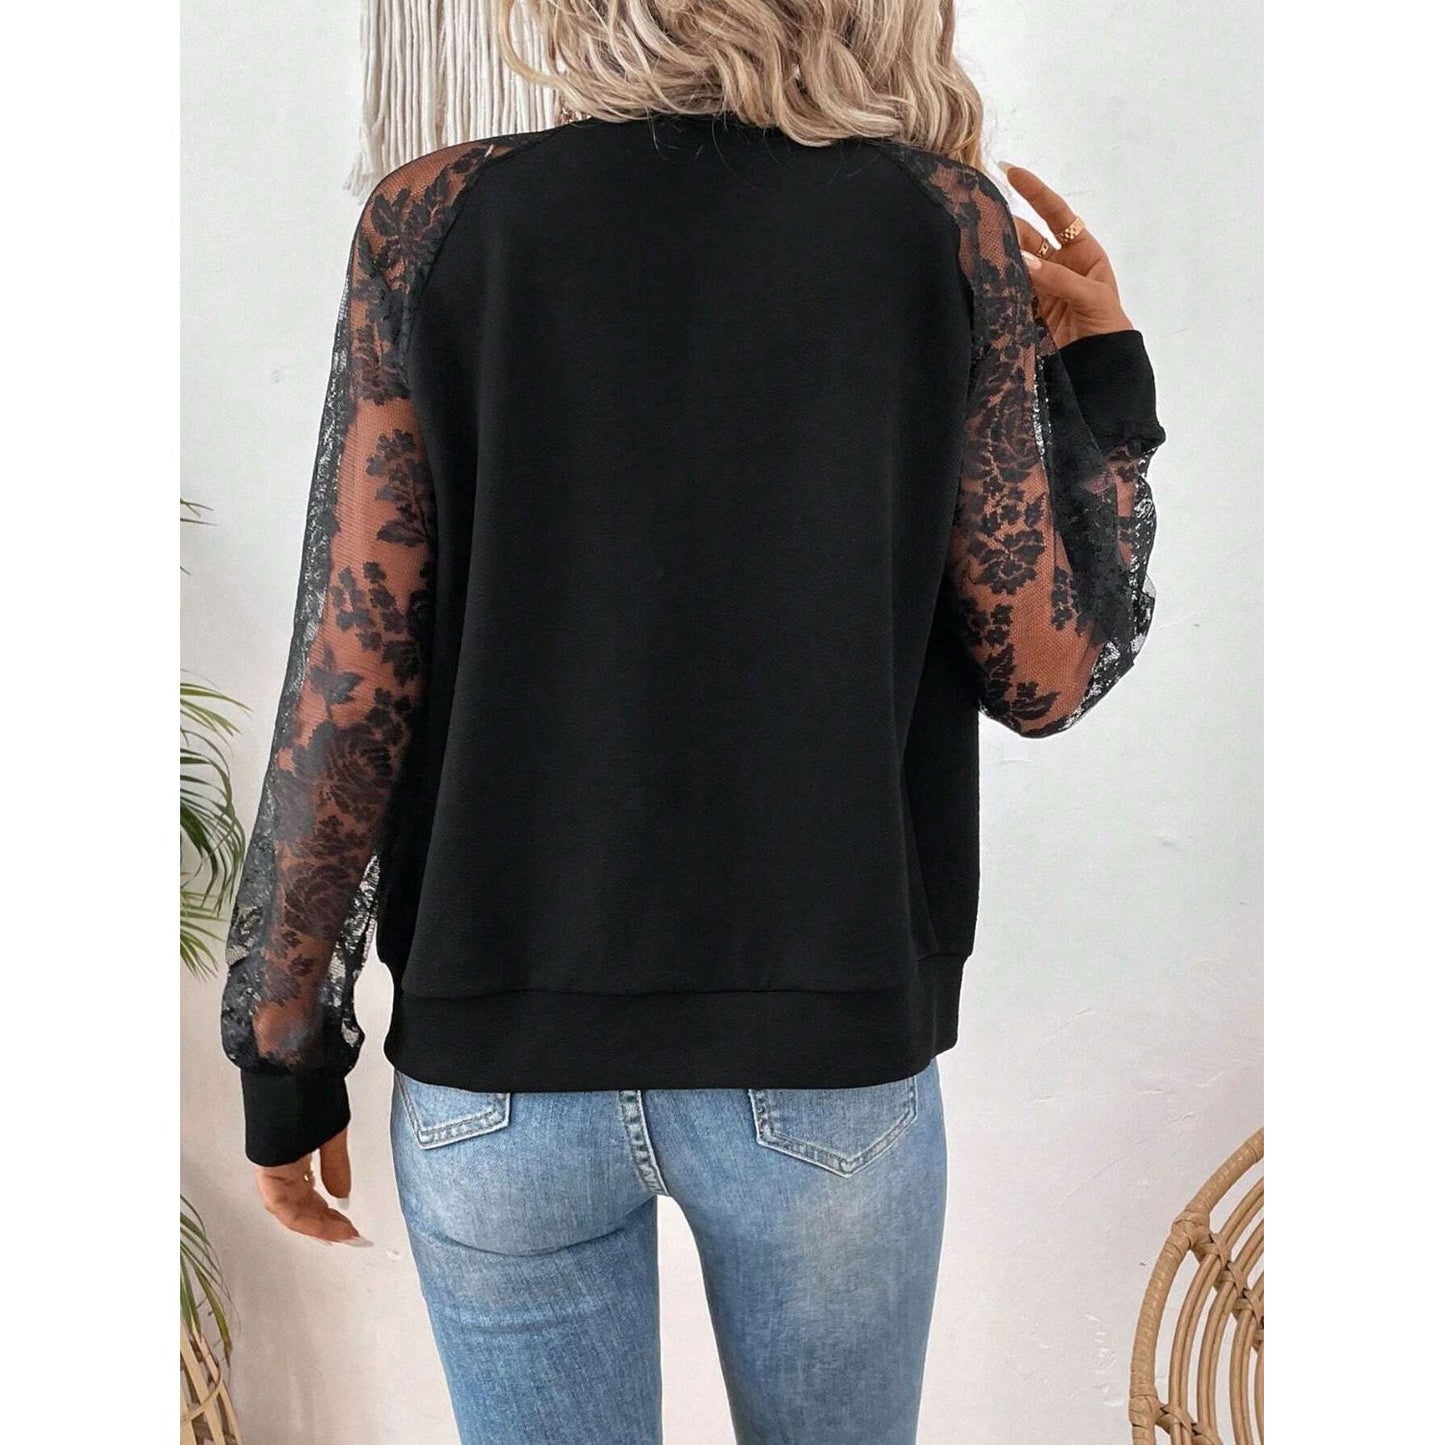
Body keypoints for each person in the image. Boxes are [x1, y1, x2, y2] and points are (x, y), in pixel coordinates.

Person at [218, 0, 1166, 1439]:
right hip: (819, 1060)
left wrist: (286, 1052)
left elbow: (350, 681)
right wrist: (1104, 383)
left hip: (500, 1074)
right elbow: (1045, 669)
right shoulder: (939, 226)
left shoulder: (434, 220)